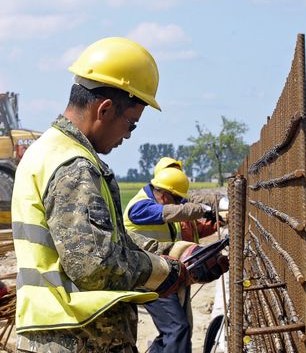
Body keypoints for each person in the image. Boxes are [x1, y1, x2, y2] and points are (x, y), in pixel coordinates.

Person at [12, 37, 204, 352]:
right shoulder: (74, 167)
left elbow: (102, 240)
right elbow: (94, 267)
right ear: (105, 109)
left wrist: (174, 250)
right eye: (131, 124)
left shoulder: (47, 151)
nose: (127, 136)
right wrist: (164, 271)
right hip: (79, 337)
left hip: (56, 333)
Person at [123, 164, 223, 353]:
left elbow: (186, 230)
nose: (178, 203)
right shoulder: (140, 207)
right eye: (176, 199)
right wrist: (201, 209)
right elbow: (169, 212)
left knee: (177, 330)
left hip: (164, 272)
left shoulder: (159, 202)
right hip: (148, 276)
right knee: (177, 329)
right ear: (163, 193)